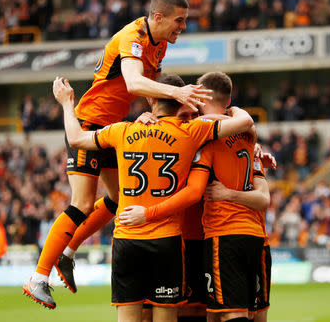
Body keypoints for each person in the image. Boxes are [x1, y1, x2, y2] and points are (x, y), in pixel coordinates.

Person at [23, 0, 212, 308]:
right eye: (179, 20)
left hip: (113, 126)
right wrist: (177, 92)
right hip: (89, 122)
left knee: (117, 198)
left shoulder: (159, 43)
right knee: (82, 202)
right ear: (159, 17)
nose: (183, 26)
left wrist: (152, 110)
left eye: (186, 20)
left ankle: (67, 254)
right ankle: (38, 278)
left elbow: (146, 87)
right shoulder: (132, 36)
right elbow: (133, 83)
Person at [30, 74, 253, 321]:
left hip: (127, 239)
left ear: (150, 100)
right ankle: (67, 253)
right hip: (167, 240)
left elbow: (75, 139)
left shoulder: (123, 130)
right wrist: (231, 109)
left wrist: (66, 104)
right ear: (180, 102)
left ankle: (61, 257)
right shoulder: (192, 132)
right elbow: (244, 123)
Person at [120, 72, 271, 322]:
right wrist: (143, 121)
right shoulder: (175, 136)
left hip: (206, 237)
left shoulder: (205, 137)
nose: (189, 120)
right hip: (178, 237)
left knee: (210, 312)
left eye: (193, 115)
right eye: (184, 116)